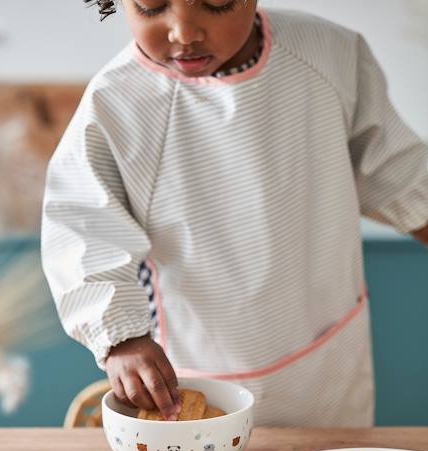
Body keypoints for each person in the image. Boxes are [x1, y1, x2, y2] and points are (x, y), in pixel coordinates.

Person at [41, 0, 428, 426]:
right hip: (198, 367)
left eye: (217, 3)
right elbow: (83, 229)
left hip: (325, 360)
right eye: (152, 7)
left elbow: (395, 167)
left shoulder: (328, 53)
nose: (184, 32)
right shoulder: (118, 102)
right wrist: (120, 338)